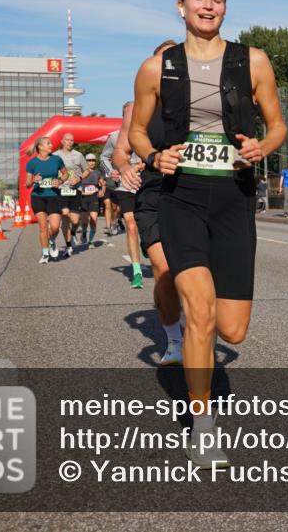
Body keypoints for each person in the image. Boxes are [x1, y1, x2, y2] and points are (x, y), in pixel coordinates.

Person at [128, 0, 286, 468]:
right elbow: (136, 132)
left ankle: (198, 354)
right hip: (181, 197)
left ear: (225, 6)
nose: (208, 5)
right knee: (200, 310)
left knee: (232, 329)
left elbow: (278, 125)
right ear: (182, 6)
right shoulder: (157, 67)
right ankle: (203, 423)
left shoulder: (253, 61)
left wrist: (263, 145)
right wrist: (154, 156)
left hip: (235, 197)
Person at [113, 39, 185, 365]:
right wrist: (125, 167)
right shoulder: (136, 107)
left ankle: (189, 319)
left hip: (194, 193)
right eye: (162, 61)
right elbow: (120, 151)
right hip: (154, 193)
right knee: (164, 269)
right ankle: (174, 340)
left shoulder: (197, 100)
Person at [101, 104, 145, 289]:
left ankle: (149, 247)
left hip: (148, 183)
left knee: (148, 224)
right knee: (131, 224)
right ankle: (137, 271)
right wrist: (111, 172)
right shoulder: (114, 137)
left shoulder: (148, 132)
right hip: (125, 185)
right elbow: (104, 157)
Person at [24, 136, 68, 264]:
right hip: (38, 197)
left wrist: (60, 180)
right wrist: (33, 180)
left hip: (54, 195)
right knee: (43, 227)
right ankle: (45, 253)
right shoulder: (32, 163)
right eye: (48, 143)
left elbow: (66, 174)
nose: (51, 145)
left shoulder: (56, 159)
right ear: (40, 147)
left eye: (50, 143)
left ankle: (52, 240)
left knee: (55, 227)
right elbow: (27, 184)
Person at [55, 132, 89, 258]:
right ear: (62, 141)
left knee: (75, 220)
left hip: (76, 189)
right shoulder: (55, 155)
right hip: (62, 189)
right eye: (67, 140)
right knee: (65, 214)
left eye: (72, 140)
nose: (70, 142)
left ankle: (73, 232)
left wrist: (79, 178)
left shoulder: (78, 155)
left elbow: (86, 171)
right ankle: (68, 246)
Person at [80, 153, 104, 248]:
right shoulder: (81, 172)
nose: (91, 162)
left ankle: (90, 242)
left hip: (94, 197)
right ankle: (84, 232)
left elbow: (102, 183)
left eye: (93, 160)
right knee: (84, 222)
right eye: (89, 160)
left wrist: (102, 190)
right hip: (83, 198)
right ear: (85, 162)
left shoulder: (98, 172)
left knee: (94, 220)